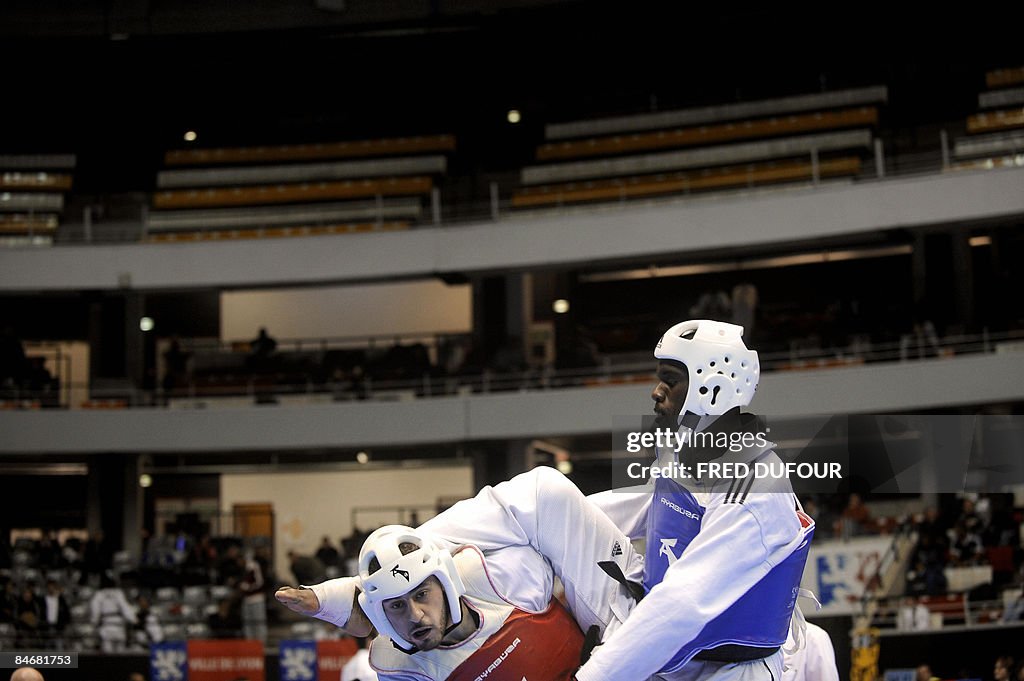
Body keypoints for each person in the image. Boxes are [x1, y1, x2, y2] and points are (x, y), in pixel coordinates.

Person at [572, 319, 814, 681]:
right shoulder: (686, 457)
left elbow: (683, 601)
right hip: (676, 652)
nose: (656, 392)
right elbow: (639, 508)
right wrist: (562, 523)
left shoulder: (755, 486)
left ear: (713, 389)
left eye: (670, 380)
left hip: (731, 670)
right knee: (545, 494)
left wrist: (593, 675)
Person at [277, 468, 644, 681]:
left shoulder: (500, 575)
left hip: (624, 661)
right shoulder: (399, 667)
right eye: (397, 606)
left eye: (421, 594)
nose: (416, 615)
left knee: (551, 494)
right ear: (380, 617)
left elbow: (553, 504)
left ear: (446, 583)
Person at [89, 573, 137, 652]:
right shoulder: (118, 593)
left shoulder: (99, 594)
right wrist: (133, 619)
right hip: (119, 626)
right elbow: (125, 607)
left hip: (107, 626)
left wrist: (94, 622)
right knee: (120, 654)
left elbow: (95, 610)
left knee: (108, 654)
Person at [41, 579, 70, 649]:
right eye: (49, 587)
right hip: (47, 626)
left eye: (52, 587)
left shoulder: (61, 599)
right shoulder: (43, 599)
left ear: (55, 587)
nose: (51, 589)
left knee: (59, 646)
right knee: (47, 646)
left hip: (58, 626)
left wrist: (65, 623)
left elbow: (66, 612)